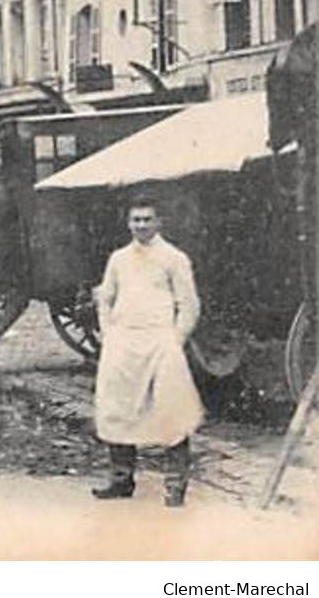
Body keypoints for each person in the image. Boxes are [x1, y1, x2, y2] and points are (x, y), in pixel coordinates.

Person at [90, 193, 203, 507]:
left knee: (171, 410)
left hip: (160, 343)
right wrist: (110, 333)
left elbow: (189, 305)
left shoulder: (174, 258)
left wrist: (174, 340)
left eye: (147, 219)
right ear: (128, 223)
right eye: (136, 220)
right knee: (117, 408)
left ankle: (175, 486)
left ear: (159, 222)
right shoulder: (119, 259)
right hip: (123, 343)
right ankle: (121, 479)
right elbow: (106, 299)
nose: (141, 225)